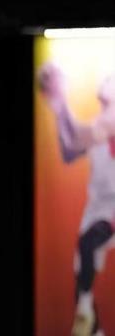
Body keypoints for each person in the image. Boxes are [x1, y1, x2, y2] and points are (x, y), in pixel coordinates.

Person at [38, 62, 115, 336]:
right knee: (81, 269)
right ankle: (95, 329)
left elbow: (78, 135)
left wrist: (60, 102)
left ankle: (85, 311)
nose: (105, 82)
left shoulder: (111, 119)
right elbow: (69, 150)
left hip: (112, 207)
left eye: (109, 80)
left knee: (88, 243)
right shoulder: (99, 124)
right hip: (96, 207)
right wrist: (59, 106)